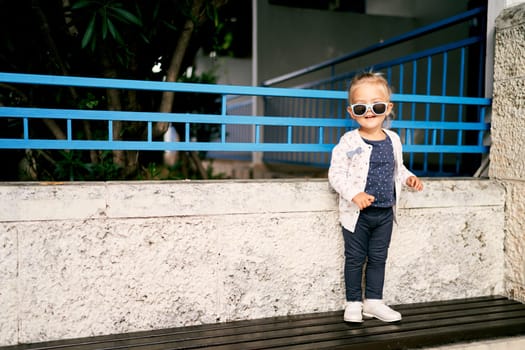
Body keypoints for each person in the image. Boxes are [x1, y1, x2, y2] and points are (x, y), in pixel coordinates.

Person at [328, 72, 423, 323]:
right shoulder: (349, 141)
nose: (369, 112)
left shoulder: (393, 139)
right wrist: (354, 194)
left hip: (384, 213)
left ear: (388, 108)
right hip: (357, 214)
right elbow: (335, 174)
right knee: (355, 259)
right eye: (361, 108)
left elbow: (397, 169)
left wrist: (409, 178)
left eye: (377, 106)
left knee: (379, 258)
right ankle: (353, 303)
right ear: (351, 112)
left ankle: (374, 302)